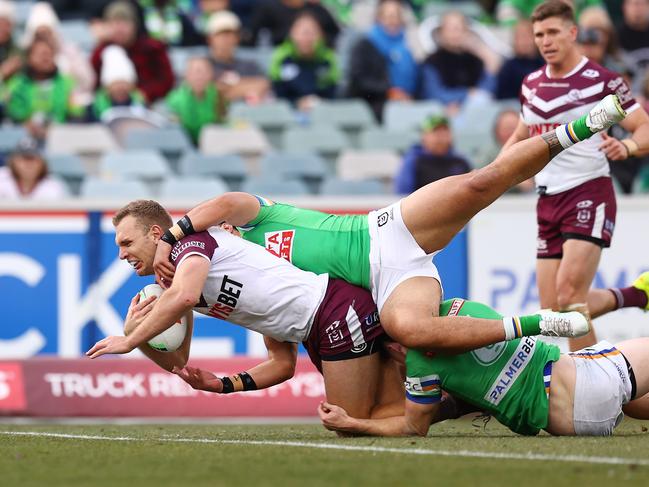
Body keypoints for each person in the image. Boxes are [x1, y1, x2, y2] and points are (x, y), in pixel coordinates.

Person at [152, 94, 630, 353]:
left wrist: (174, 233)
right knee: (411, 330)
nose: (218, 233)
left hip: (384, 231)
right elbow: (274, 346)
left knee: (477, 186)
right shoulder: (242, 268)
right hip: (387, 281)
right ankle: (540, 324)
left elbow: (223, 200)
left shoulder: (254, 218)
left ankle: (586, 124)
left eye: (208, 230)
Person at [86, 200, 405, 423]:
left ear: (156, 234)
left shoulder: (191, 245)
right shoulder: (175, 284)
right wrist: (223, 385)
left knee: (351, 421)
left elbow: (184, 297)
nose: (121, 254)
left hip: (335, 310)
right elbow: (280, 364)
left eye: (126, 242)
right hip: (317, 328)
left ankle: (445, 401)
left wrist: (128, 341)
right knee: (383, 410)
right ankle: (444, 397)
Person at [500, 0, 649, 351]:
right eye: (538, 34)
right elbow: (522, 134)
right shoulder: (531, 83)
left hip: (589, 191)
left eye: (552, 32)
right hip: (547, 198)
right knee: (554, 312)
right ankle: (633, 295)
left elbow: (643, 128)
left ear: (572, 32)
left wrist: (626, 148)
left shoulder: (603, 81)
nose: (545, 41)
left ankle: (594, 389)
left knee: (569, 297)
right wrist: (495, 173)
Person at [318, 298, 649, 437]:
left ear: (392, 346)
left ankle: (544, 321)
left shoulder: (420, 364)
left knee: (634, 402)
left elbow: (413, 427)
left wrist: (352, 422)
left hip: (572, 419)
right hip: (582, 382)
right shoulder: (459, 307)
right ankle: (543, 320)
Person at [91, 1, 174, 103]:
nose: (119, 29)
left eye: (124, 23)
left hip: (150, 105)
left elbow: (166, 81)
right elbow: (93, 83)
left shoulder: (152, 48)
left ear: (134, 25)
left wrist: (145, 94)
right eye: (114, 23)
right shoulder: (102, 51)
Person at [5, 38, 84, 139]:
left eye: (49, 54)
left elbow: (77, 114)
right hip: (23, 138)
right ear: (29, 58)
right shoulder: (17, 84)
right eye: (40, 55)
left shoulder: (67, 84)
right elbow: (13, 113)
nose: (45, 58)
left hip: (60, 137)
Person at [419, 11, 497, 113]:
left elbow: (486, 91)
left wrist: (489, 65)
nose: (454, 33)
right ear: (441, 32)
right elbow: (433, 93)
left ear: (466, 32)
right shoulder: (432, 61)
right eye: (450, 29)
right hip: (442, 113)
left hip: (473, 112)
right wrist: (466, 94)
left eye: (458, 29)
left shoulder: (475, 60)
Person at [22, 2, 96, 107]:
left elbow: (88, 82)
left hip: (72, 100)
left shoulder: (70, 52)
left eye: (47, 33)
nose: (45, 38)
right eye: (40, 34)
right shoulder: (24, 56)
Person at [269, 12, 339, 108]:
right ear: (291, 34)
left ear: (321, 35)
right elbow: (277, 93)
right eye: (302, 32)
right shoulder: (281, 57)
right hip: (287, 112)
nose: (306, 38)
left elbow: (332, 94)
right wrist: (296, 103)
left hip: (322, 111)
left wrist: (316, 102)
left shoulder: (328, 59)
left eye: (311, 33)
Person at [394, 114, 471, 195]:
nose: (441, 137)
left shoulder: (460, 162)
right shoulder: (413, 161)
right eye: (435, 132)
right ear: (424, 136)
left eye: (444, 131)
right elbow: (403, 195)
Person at [205, 10, 270, 102]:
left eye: (230, 34)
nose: (226, 39)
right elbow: (200, 92)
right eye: (220, 34)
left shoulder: (249, 65)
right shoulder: (203, 66)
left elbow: (264, 84)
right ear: (209, 39)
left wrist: (225, 90)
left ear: (237, 38)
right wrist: (245, 87)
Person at [165, 56, 226, 144]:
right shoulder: (174, 100)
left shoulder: (220, 97)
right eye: (195, 72)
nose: (199, 76)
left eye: (204, 72)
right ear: (186, 74)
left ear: (211, 74)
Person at [249, 0, 340, 47]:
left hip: (315, 59)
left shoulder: (317, 9)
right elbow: (253, 35)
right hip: (279, 56)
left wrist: (315, 40)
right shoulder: (268, 8)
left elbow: (335, 35)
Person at [0, 137, 69, 199]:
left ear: (42, 163)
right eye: (24, 158)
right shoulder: (1, 178)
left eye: (33, 159)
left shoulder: (54, 186)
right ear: (14, 161)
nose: (28, 164)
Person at [91, 45, 146, 121]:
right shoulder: (95, 108)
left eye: (124, 83)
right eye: (116, 83)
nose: (120, 87)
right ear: (107, 87)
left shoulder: (140, 104)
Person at [495, 20, 544, 100]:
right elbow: (503, 98)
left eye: (527, 37)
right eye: (518, 38)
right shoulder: (508, 67)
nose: (523, 42)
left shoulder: (547, 64)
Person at [0, 0, 21, 84]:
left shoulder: (15, 50)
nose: (5, 29)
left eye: (8, 25)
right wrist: (2, 72)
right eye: (1, 24)